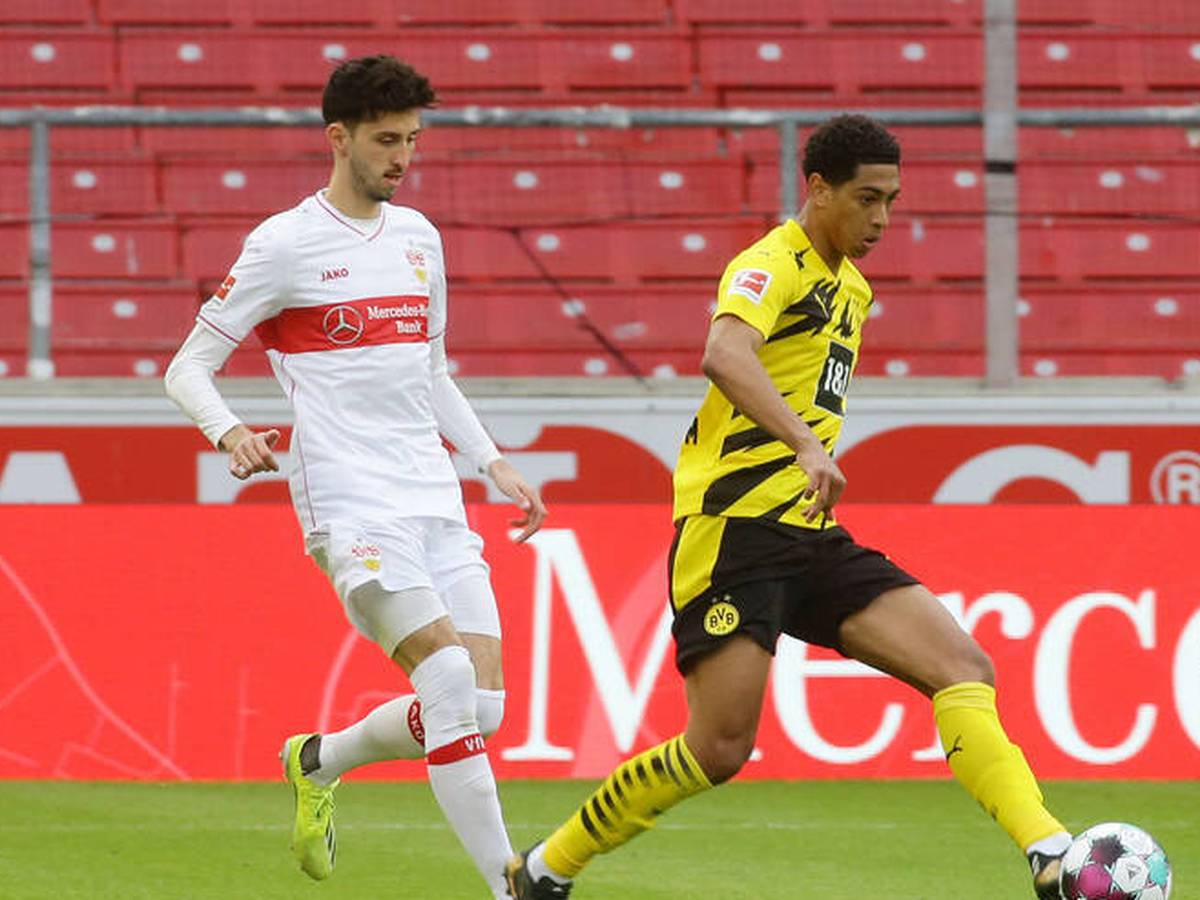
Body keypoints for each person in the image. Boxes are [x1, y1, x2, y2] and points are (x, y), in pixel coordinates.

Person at [504, 114, 1071, 900]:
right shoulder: (772, 263)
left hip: (808, 531)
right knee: (719, 748)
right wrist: (806, 443)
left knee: (963, 667)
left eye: (892, 201)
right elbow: (723, 352)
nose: (881, 219)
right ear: (819, 189)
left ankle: (1049, 852)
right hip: (734, 530)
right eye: (866, 199)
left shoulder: (853, 289)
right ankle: (546, 867)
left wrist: (806, 460)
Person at [164, 54, 546, 899]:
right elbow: (187, 367)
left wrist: (491, 460)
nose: (402, 157)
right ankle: (511, 885)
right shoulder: (284, 244)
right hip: (349, 499)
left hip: (432, 492)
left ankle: (319, 759)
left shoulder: (419, 238)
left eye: (411, 140)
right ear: (338, 138)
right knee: (446, 678)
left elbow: (432, 371)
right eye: (385, 141)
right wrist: (230, 431)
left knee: (482, 712)